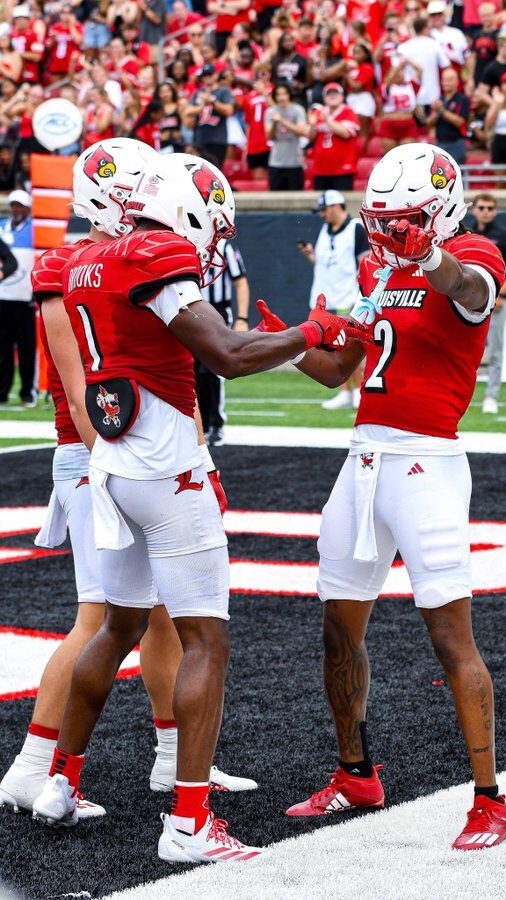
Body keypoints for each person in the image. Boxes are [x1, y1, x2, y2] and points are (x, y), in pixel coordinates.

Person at [31, 151, 371, 863]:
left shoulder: (95, 256)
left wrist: (279, 338)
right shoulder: (157, 250)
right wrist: (311, 334)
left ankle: (61, 781)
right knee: (205, 641)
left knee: (115, 628)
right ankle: (189, 822)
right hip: (163, 468)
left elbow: (210, 343)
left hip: (114, 465)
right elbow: (223, 353)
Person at [259, 143, 506, 851]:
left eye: (401, 220)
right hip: (362, 457)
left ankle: (490, 800)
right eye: (382, 220)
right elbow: (342, 365)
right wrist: (282, 340)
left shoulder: (473, 251)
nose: (385, 232)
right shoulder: (376, 265)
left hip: (426, 462)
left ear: (436, 211)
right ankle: (355, 772)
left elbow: (468, 291)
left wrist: (428, 255)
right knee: (337, 629)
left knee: (448, 635)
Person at [0, 141, 255, 818]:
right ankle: (33, 768)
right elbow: (87, 396)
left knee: (164, 619)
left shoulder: (128, 260)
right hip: (97, 452)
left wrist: (200, 455)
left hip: (135, 448)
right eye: (129, 192)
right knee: (101, 620)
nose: (142, 205)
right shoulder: (74, 265)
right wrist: (112, 467)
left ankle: (174, 759)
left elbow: (176, 378)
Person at [298, 189, 369, 410]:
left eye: (324, 210)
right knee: (331, 347)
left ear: (336, 206)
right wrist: (309, 254)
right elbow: (323, 264)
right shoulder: (324, 230)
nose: (321, 215)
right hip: (325, 297)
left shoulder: (356, 228)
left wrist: (362, 296)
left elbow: (364, 263)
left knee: (348, 345)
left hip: (347, 294)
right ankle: (345, 392)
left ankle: (359, 390)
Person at [465, 193, 506, 414]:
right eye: (482, 207)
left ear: (495, 211)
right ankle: (463, 395)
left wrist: (502, 294)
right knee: (465, 349)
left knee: (496, 350)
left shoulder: (504, 235)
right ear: (474, 210)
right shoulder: (466, 232)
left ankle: (491, 395)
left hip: (495, 300)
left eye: (490, 208)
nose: (486, 211)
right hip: (467, 300)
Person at [195, 240, 250, 447]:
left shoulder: (225, 247)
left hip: (217, 312)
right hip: (191, 312)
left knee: (211, 371)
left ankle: (216, 424)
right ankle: (201, 425)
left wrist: (242, 318)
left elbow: (240, 281)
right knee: (191, 372)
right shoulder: (187, 242)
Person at [0, 190, 35, 407]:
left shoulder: (35, 229)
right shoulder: (1, 226)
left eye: (20, 206)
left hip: (25, 297)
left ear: (28, 208)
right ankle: (2, 391)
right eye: (13, 205)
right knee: (2, 349)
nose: (16, 209)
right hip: (3, 296)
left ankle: (27, 392)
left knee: (26, 349)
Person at [307, 82, 360, 191]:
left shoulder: (348, 112)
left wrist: (327, 121)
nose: (332, 96)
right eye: (329, 94)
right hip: (320, 169)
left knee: (341, 203)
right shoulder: (318, 113)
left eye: (335, 93)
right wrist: (312, 126)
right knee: (322, 205)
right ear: (324, 97)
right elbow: (311, 137)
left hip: (342, 168)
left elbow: (346, 133)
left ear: (342, 96)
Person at [185, 63, 235, 167]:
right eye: (205, 76)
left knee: (214, 172)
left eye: (210, 75)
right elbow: (187, 111)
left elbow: (229, 110)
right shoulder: (198, 92)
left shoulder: (223, 91)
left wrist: (212, 101)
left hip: (218, 140)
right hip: (199, 139)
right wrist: (201, 106)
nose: (207, 78)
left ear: (215, 75)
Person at [398, 16, 451, 107]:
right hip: (432, 96)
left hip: (410, 96)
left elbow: (397, 71)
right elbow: (447, 66)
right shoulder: (434, 44)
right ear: (425, 29)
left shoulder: (403, 47)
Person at [264, 82, 308, 190]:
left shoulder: (298, 110)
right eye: (278, 95)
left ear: (289, 95)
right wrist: (275, 123)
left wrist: (281, 121)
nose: (282, 97)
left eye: (284, 94)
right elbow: (269, 137)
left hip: (295, 162)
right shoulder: (270, 112)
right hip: (276, 162)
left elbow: (302, 131)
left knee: (296, 200)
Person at [427, 67, 469, 164]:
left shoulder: (462, 99)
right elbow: (428, 123)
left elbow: (459, 122)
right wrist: (436, 112)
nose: (446, 83)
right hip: (439, 143)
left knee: (455, 174)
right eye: (444, 80)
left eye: (449, 80)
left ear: (457, 82)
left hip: (456, 144)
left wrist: (441, 111)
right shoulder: (439, 99)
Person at [378, 57, 421, 153]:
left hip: (407, 123)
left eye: (401, 72)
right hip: (389, 124)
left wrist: (407, 61)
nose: (399, 74)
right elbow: (390, 79)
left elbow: (419, 70)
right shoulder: (386, 86)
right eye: (396, 72)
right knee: (390, 156)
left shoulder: (411, 85)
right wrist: (400, 65)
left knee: (407, 155)